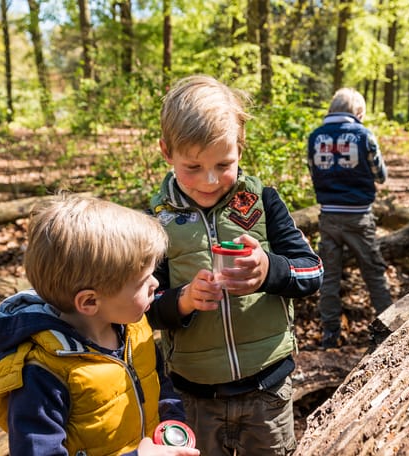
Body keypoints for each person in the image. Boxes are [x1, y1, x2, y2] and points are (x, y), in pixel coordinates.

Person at [147, 75, 323, 456]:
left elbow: (312, 272)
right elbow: (143, 307)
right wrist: (183, 301)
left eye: (223, 164)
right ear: (166, 152)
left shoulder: (262, 202)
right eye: (192, 167)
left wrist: (268, 271)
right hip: (195, 396)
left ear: (240, 149)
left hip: (268, 389)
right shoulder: (155, 221)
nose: (209, 181)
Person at [0, 193, 199, 456]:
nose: (156, 284)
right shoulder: (43, 373)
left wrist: (171, 422)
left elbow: (158, 383)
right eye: (143, 281)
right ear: (90, 301)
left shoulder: (134, 329)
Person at [306, 87, 393, 349]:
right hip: (359, 216)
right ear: (357, 112)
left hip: (329, 215)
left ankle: (330, 332)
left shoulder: (315, 137)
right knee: (374, 272)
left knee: (329, 276)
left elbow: (313, 171)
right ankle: (389, 327)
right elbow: (380, 175)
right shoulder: (363, 135)